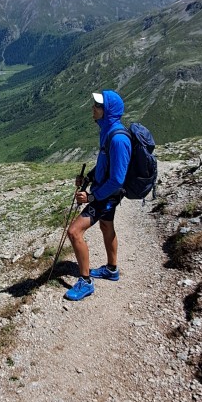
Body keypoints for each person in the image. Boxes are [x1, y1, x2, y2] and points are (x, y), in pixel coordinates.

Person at [64, 89, 132, 302]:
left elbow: (117, 180)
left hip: (108, 194)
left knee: (74, 232)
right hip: (104, 191)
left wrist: (93, 198)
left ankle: (85, 282)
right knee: (106, 226)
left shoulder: (118, 139)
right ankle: (111, 270)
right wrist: (89, 178)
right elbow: (104, 165)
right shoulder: (107, 131)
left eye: (97, 106)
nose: (93, 108)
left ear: (107, 110)